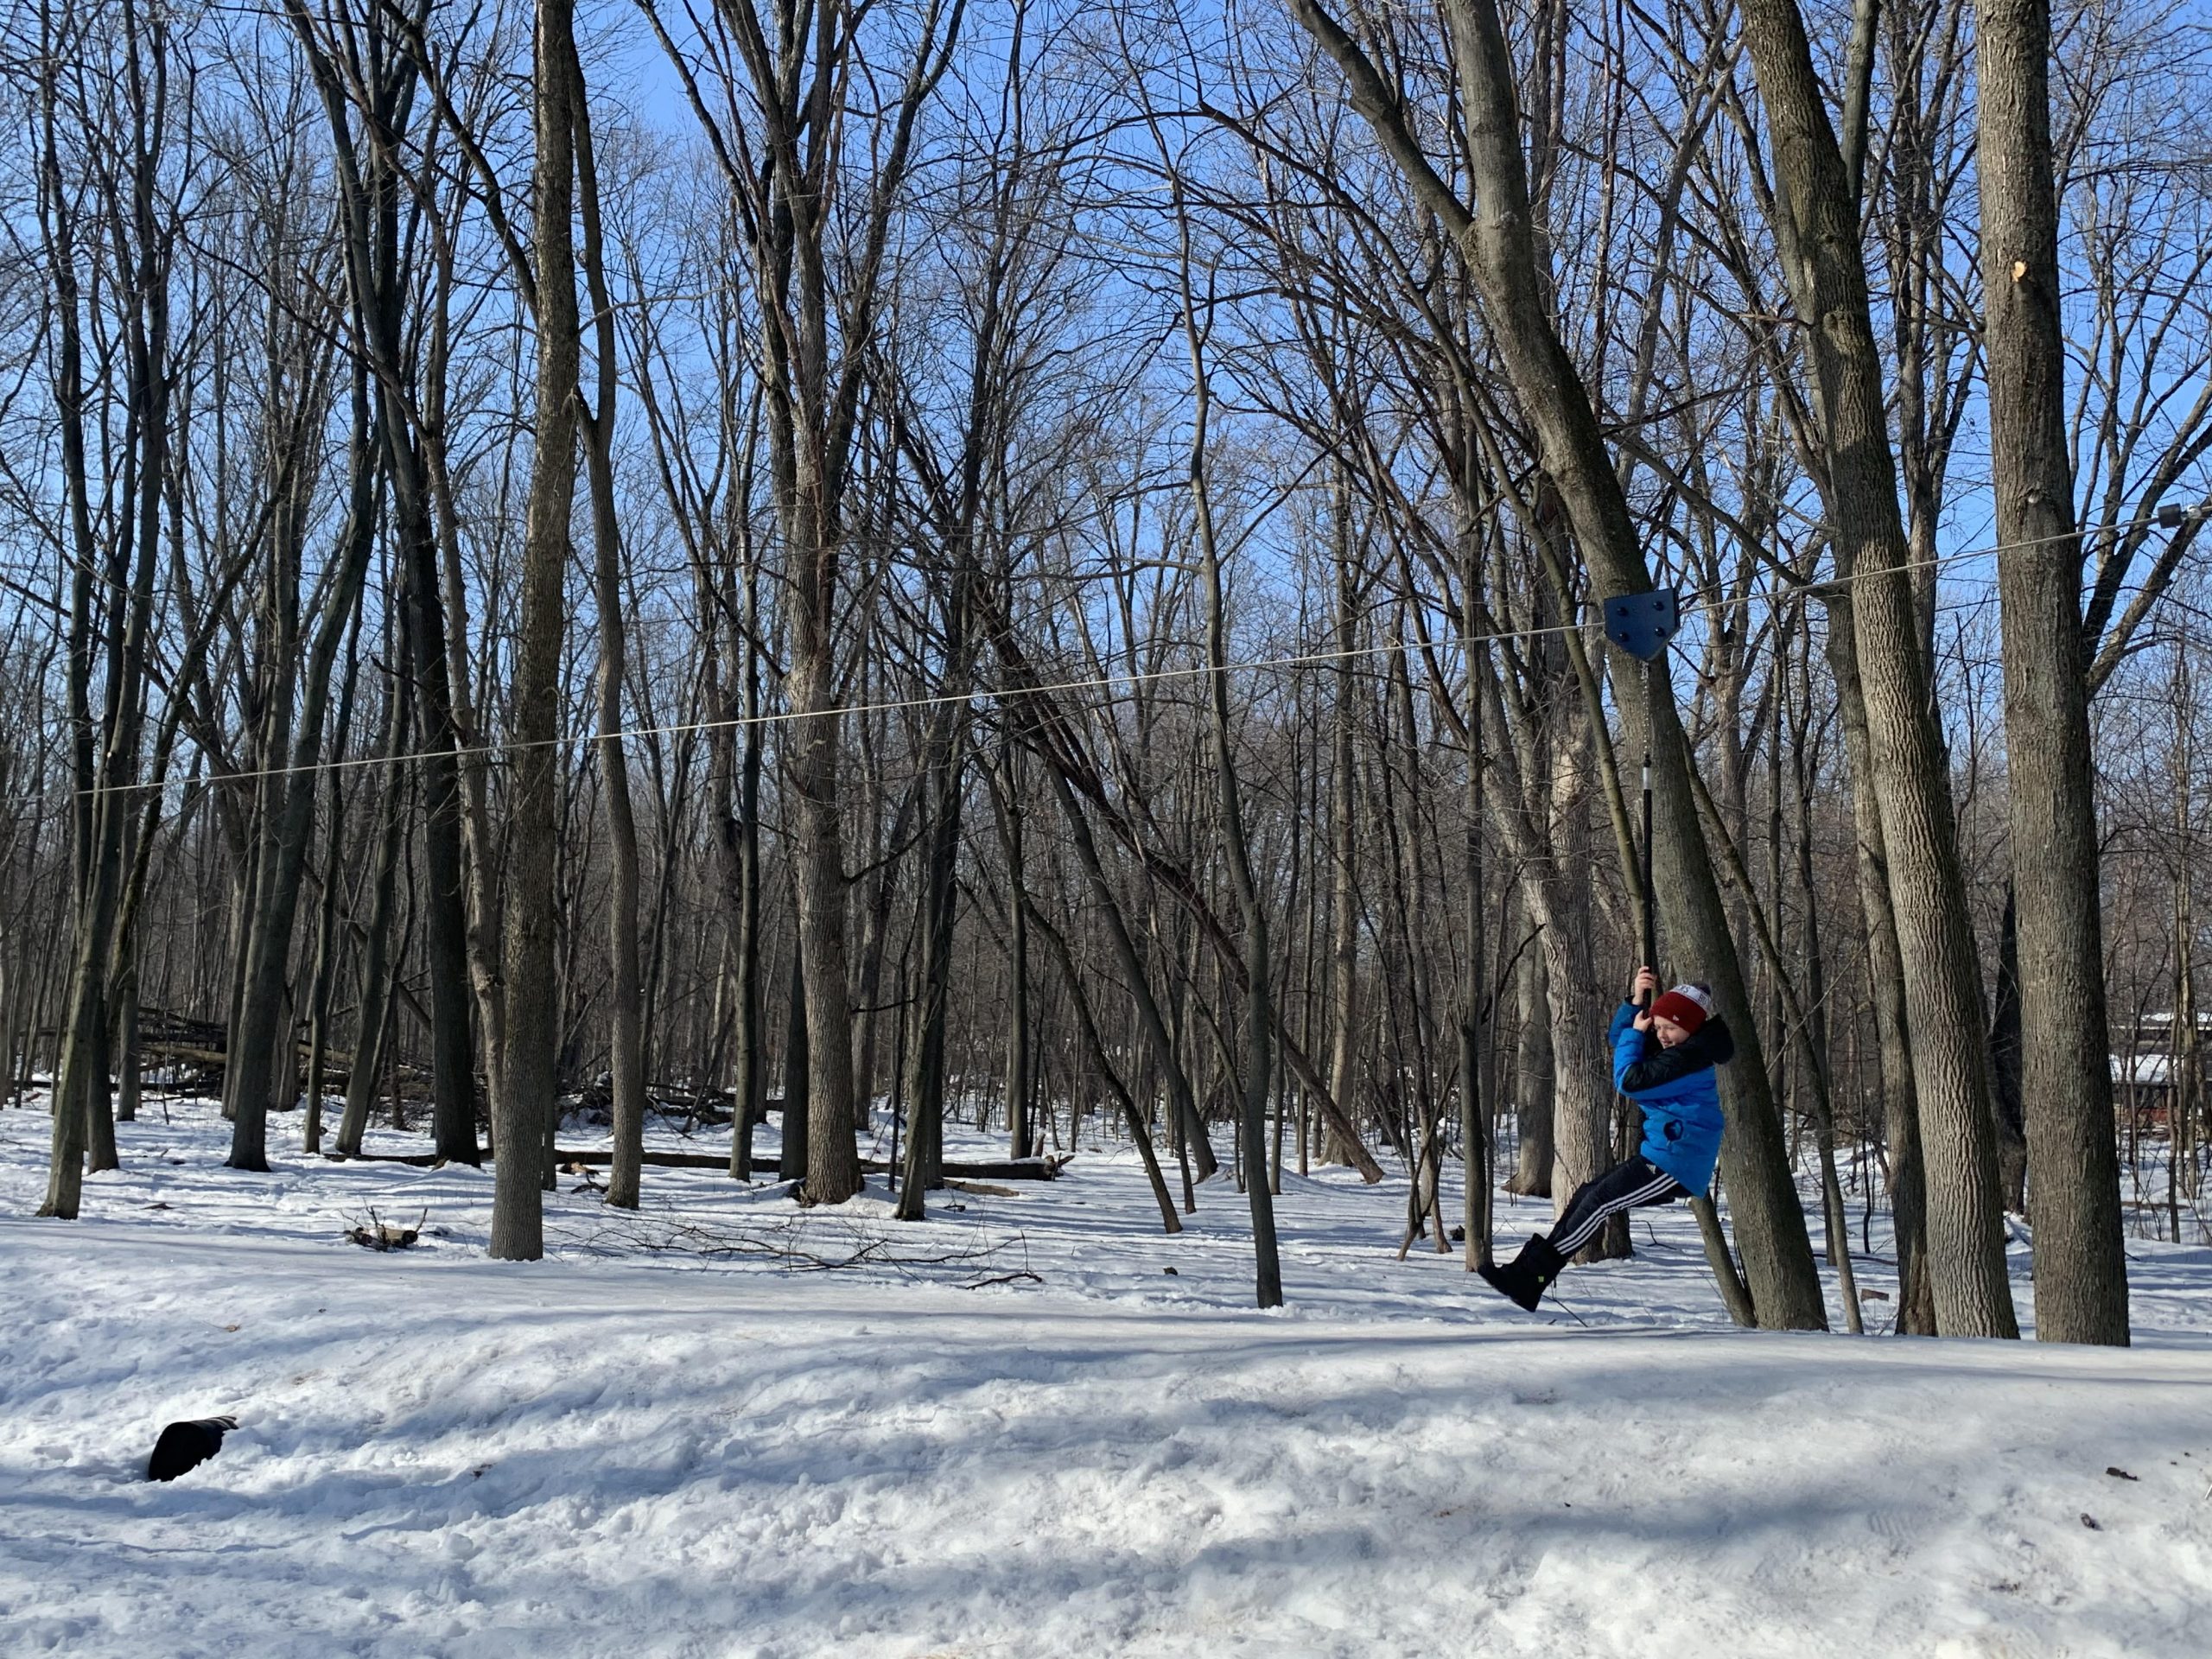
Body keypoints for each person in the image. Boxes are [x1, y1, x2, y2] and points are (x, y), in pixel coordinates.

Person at [1478, 966, 1732, 1313]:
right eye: (1658, 1028)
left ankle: (1530, 1280)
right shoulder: (1680, 1050)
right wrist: (1634, 1003)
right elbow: (1619, 1039)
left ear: (1691, 1027)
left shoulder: (1689, 1059)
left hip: (1676, 1163)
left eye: (1670, 1028)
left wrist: (1636, 1034)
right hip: (1663, 1153)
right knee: (1589, 1194)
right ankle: (1526, 1278)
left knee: (1600, 1202)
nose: (1662, 1035)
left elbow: (1628, 1079)